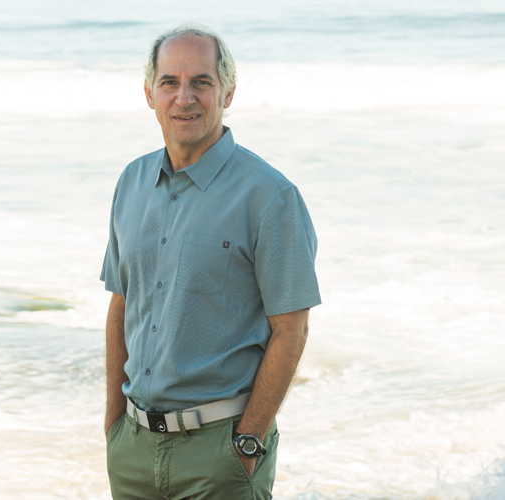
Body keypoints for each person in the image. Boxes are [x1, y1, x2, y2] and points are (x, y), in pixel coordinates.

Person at [101, 22, 320, 500]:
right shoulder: (130, 183)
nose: (185, 98)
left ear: (228, 91)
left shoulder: (270, 196)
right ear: (148, 93)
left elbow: (292, 330)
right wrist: (113, 424)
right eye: (170, 82)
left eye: (202, 82)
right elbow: (121, 303)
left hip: (221, 454)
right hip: (132, 451)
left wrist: (248, 440)